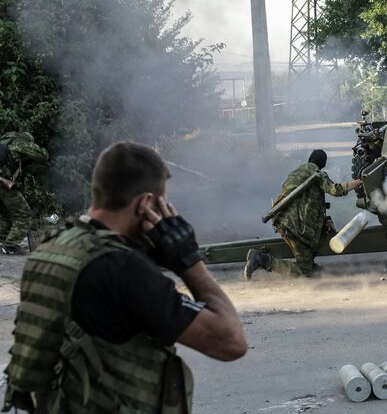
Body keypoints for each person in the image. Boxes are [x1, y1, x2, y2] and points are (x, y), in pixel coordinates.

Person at [3, 142, 247, 413]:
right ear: (145, 203)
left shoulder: (52, 248)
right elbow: (230, 341)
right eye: (162, 203)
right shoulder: (124, 269)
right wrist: (188, 260)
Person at [243, 149, 362, 279]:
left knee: (319, 241)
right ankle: (261, 259)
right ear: (323, 164)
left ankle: (311, 265)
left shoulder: (296, 173)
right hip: (297, 227)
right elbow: (336, 190)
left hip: (284, 222)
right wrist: (359, 181)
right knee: (304, 271)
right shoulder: (317, 174)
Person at [0, 131, 48, 255]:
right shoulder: (19, 143)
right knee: (24, 215)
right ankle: (10, 246)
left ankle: (1, 241)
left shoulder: (3, 142)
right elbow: (43, 155)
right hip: (4, 186)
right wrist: (38, 147)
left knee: (5, 215)